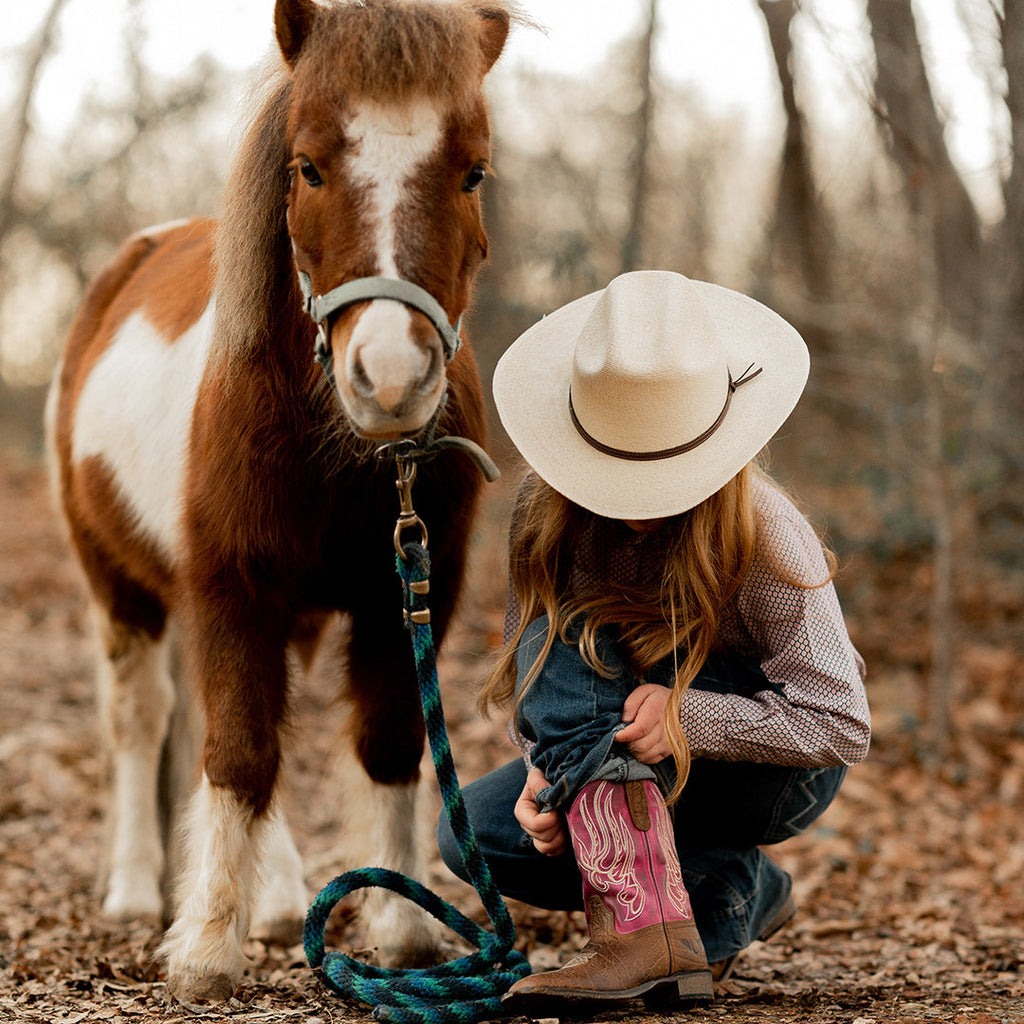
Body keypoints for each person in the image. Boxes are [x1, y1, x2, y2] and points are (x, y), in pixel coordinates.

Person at [437, 270, 870, 1013]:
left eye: (663, 472)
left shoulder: (766, 531)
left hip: (765, 772)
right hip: (621, 747)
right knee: (472, 832)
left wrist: (688, 717)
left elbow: (842, 723)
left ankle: (651, 926)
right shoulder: (544, 513)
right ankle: (718, 897)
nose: (638, 501)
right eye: (617, 470)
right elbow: (534, 670)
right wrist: (547, 768)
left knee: (587, 639)